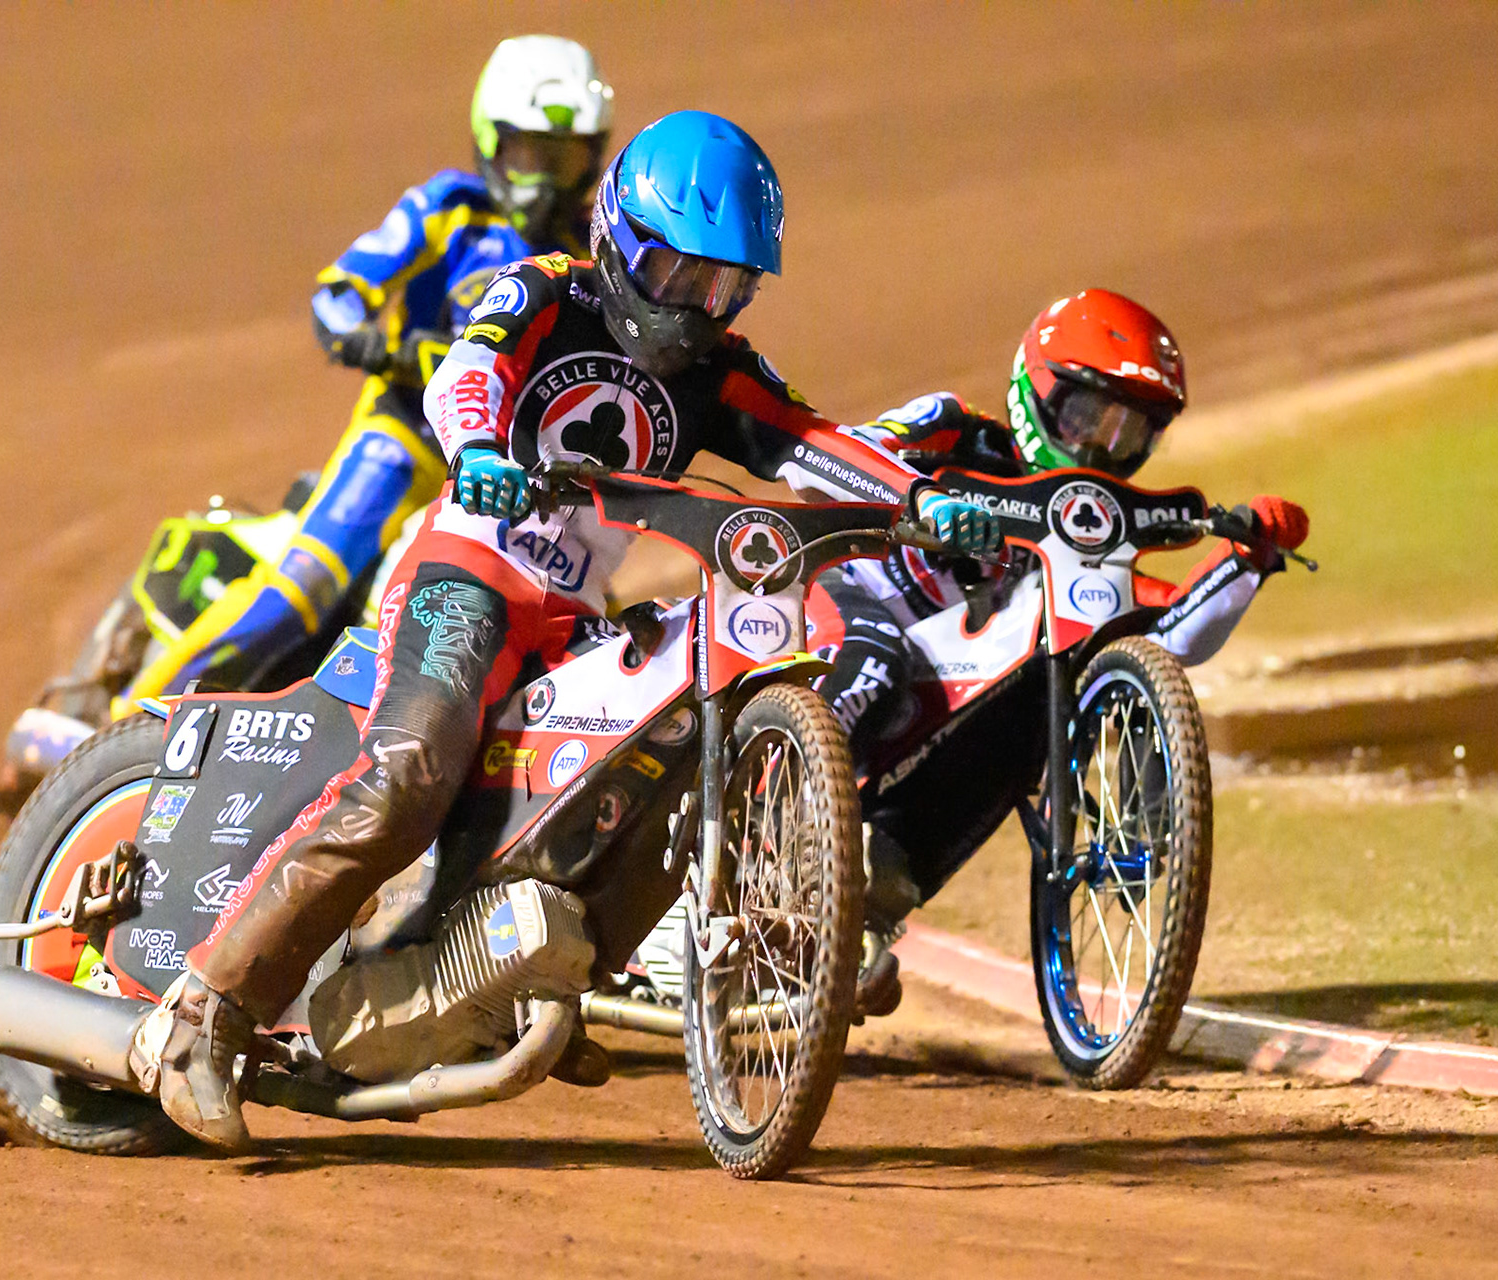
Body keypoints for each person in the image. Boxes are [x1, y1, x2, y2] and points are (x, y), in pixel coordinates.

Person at [129, 110, 1004, 1149]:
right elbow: (470, 368)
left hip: (583, 611)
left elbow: (814, 443)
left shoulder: (723, 369)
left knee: (665, 757)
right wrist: (478, 446)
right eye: (681, 274)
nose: (696, 308)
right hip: (472, 571)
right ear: (621, 239)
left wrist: (923, 498)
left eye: (725, 287)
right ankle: (199, 1016)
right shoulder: (547, 290)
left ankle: (510, 977)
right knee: (411, 771)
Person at [4, 37, 616, 774]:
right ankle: (116, 733)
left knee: (549, 614)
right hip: (408, 436)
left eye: (566, 160)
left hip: (504, 474)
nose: (546, 183)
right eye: (531, 156)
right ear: (492, 141)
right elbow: (344, 286)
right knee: (303, 587)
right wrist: (360, 332)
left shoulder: (594, 256)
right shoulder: (450, 211)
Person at [806, 289, 1309, 976]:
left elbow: (1166, 640)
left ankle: (874, 890)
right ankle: (738, 838)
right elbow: (846, 458)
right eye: (1084, 418)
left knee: (1038, 721)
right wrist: (926, 500)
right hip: (856, 597)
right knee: (873, 666)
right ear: (1034, 391)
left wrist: (1246, 561)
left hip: (963, 669)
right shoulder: (955, 427)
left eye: (1127, 434)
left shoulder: (1096, 536)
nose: (1100, 448)